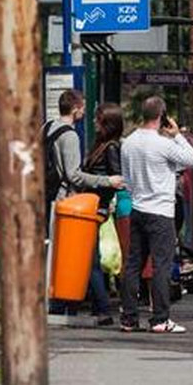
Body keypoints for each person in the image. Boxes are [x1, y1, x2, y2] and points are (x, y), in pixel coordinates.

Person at [119, 96, 193, 334]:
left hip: (138, 209)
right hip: (161, 211)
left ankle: (129, 318)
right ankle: (160, 318)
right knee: (161, 265)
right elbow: (192, 159)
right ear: (162, 116)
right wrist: (177, 135)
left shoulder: (129, 143)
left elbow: (127, 179)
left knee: (133, 264)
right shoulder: (163, 144)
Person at [44, 90, 123, 319]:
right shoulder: (71, 136)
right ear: (76, 107)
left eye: (98, 119)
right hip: (70, 203)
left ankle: (69, 305)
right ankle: (96, 307)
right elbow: (74, 175)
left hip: (65, 203)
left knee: (81, 256)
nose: (89, 117)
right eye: (84, 108)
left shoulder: (47, 127)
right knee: (86, 257)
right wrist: (106, 181)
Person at [81, 102, 127, 326]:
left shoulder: (110, 148)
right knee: (91, 258)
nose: (93, 122)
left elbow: (116, 179)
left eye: (97, 119)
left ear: (107, 123)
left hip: (96, 207)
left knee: (91, 261)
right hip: (92, 206)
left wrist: (106, 198)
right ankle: (100, 307)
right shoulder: (101, 145)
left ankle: (102, 308)